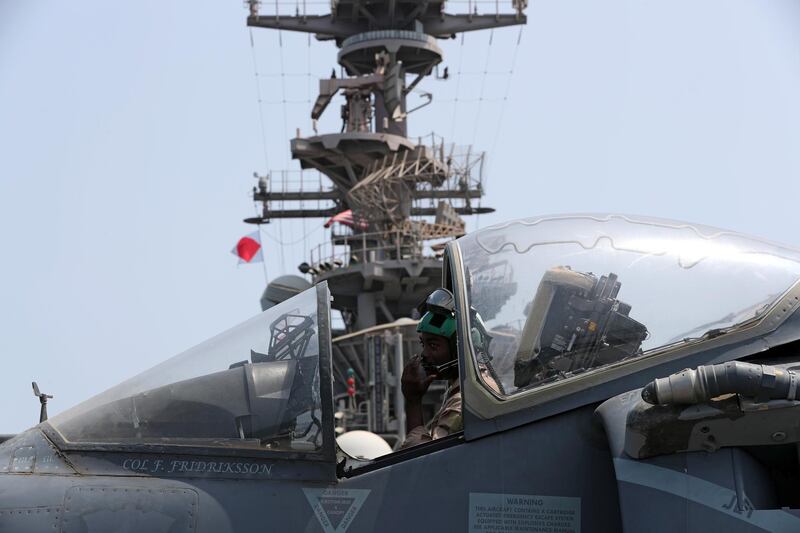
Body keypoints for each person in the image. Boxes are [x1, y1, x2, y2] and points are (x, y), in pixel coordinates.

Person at [400, 289, 463, 449]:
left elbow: (426, 460)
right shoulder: (463, 390)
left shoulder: (462, 405)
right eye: (424, 344)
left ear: (459, 348)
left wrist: (413, 402)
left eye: (433, 345)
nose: (424, 354)